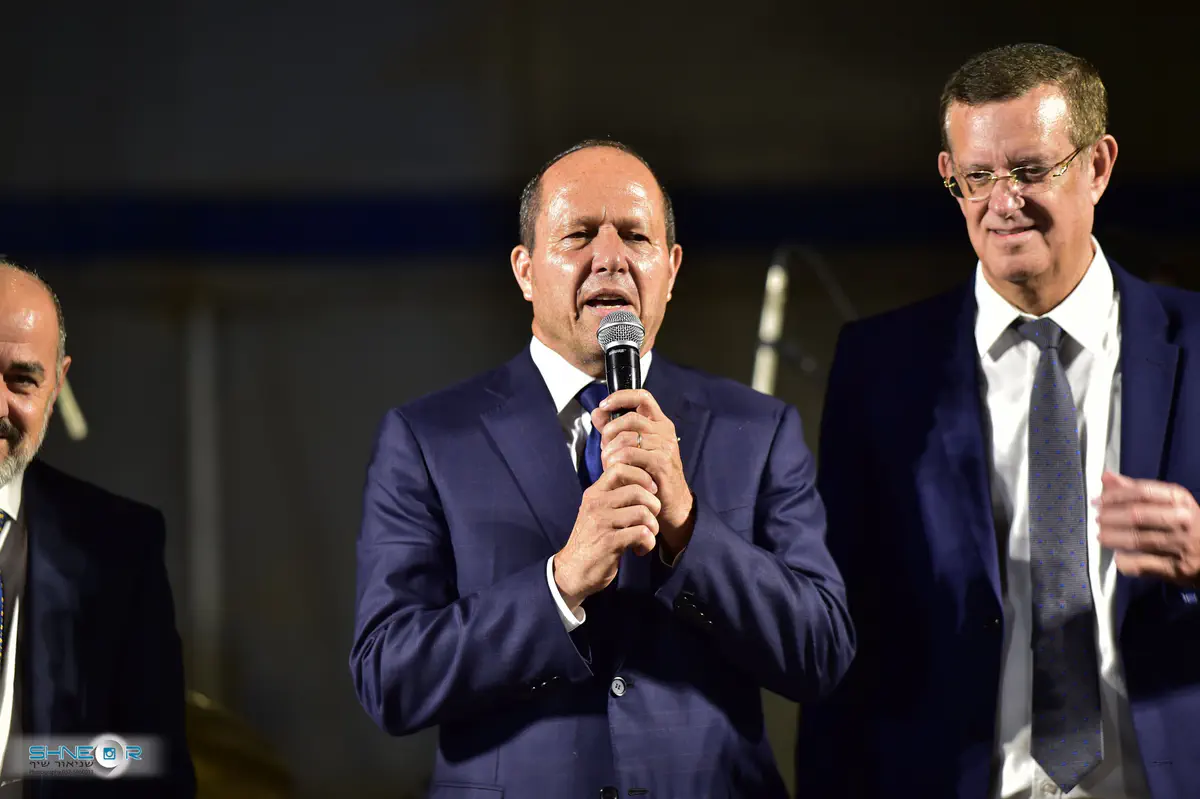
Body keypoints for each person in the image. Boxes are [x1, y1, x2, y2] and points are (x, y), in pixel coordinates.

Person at [350, 139, 854, 799]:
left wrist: (688, 527)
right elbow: (389, 676)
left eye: (636, 236)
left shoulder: (758, 430)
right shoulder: (428, 438)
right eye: (580, 234)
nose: (610, 256)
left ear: (671, 269)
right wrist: (559, 586)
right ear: (525, 270)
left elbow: (822, 652)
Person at [796, 43, 1200, 799]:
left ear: (1098, 166)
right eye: (976, 176)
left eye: (1030, 170)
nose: (1002, 201)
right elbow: (846, 628)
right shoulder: (881, 368)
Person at [0, 263, 194, 796]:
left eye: (22, 380)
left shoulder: (118, 547)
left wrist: (26, 758)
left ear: (56, 384)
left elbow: (150, 759)